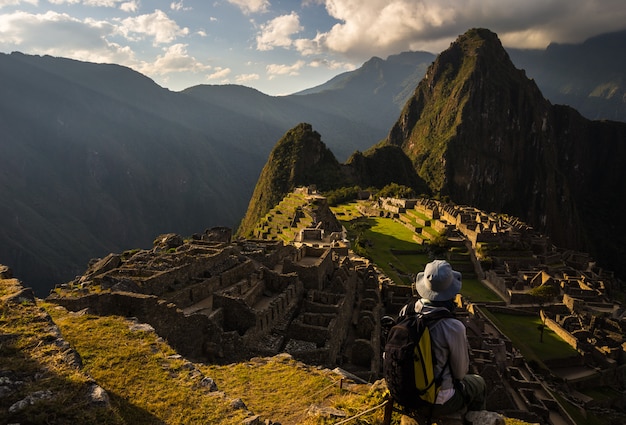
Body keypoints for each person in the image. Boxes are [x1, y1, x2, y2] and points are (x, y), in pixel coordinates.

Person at [400, 259, 486, 418]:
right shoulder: (452, 326)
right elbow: (460, 373)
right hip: (435, 400)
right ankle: (473, 419)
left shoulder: (407, 311)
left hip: (403, 393)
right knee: (479, 384)